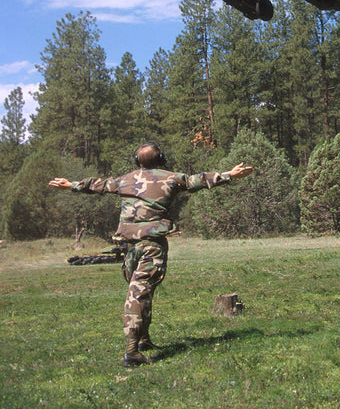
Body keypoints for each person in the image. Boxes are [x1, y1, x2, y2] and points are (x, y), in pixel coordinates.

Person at [49, 142, 253, 367]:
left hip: (129, 247)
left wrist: (71, 185)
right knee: (139, 293)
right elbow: (200, 180)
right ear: (161, 158)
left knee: (143, 291)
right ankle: (131, 351)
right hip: (152, 246)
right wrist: (230, 175)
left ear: (138, 162)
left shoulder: (125, 180)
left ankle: (144, 340)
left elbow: (99, 185)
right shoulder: (172, 178)